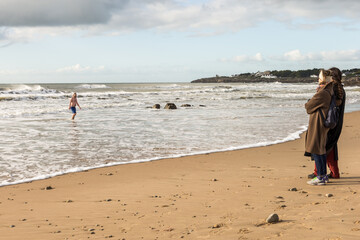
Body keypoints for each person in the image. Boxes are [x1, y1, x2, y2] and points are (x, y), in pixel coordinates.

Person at [308, 67, 346, 179]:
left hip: (327, 122)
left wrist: (319, 91)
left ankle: (319, 172)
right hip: (336, 122)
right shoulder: (340, 89)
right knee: (330, 147)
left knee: (321, 147)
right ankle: (334, 172)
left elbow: (317, 105)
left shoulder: (330, 90)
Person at [304, 69, 334, 185]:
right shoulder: (329, 91)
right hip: (323, 123)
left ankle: (320, 176)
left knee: (316, 149)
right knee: (320, 149)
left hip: (318, 123)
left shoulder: (323, 93)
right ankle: (323, 175)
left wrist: (314, 96)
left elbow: (308, 106)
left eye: (319, 78)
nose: (318, 80)